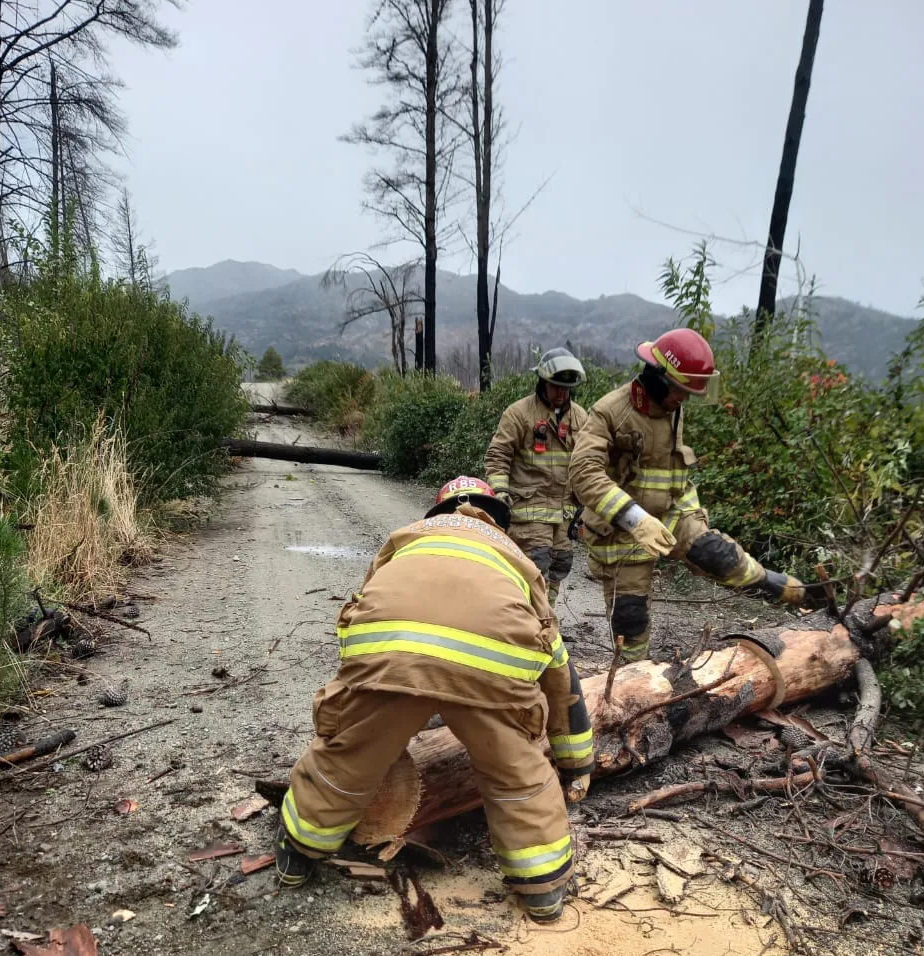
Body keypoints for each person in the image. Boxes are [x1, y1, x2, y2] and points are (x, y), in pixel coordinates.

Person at [276, 476, 594, 923]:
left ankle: (301, 850)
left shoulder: (406, 539)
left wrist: (352, 709)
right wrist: (576, 759)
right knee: (513, 768)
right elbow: (558, 673)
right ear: (497, 518)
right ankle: (542, 889)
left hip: (392, 651)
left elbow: (370, 607)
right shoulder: (517, 560)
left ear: (437, 514)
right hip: (492, 663)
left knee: (352, 753)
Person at [569, 328, 806, 662]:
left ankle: (792, 591)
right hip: (620, 533)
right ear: (658, 379)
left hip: (671, 515)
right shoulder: (610, 412)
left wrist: (694, 520)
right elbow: (583, 473)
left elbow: (674, 475)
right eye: (680, 391)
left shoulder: (672, 409)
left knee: (719, 555)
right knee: (630, 618)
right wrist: (635, 519)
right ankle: (632, 682)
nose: (684, 399)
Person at [484, 348, 589, 606]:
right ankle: (530, 625)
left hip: (564, 515)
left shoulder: (580, 418)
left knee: (560, 566)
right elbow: (498, 455)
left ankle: (545, 620)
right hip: (528, 511)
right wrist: (499, 492)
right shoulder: (519, 414)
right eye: (556, 387)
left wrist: (588, 505)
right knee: (535, 567)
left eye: (566, 388)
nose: (561, 393)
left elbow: (589, 463)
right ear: (543, 382)